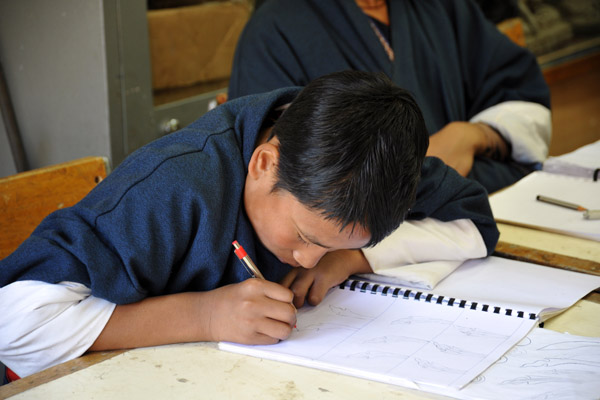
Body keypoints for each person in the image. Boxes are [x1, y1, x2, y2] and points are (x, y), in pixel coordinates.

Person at [0, 71, 498, 380]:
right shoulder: (176, 186)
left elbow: (474, 221)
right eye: (305, 238)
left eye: (329, 248)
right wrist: (205, 316)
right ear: (263, 164)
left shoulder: (368, 164)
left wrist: (351, 258)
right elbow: (15, 323)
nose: (307, 260)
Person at [228, 0, 552, 194]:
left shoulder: (442, 7)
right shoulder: (274, 31)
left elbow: (518, 91)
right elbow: (280, 186)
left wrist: (472, 135)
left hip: (472, 215)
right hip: (353, 251)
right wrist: (429, 179)